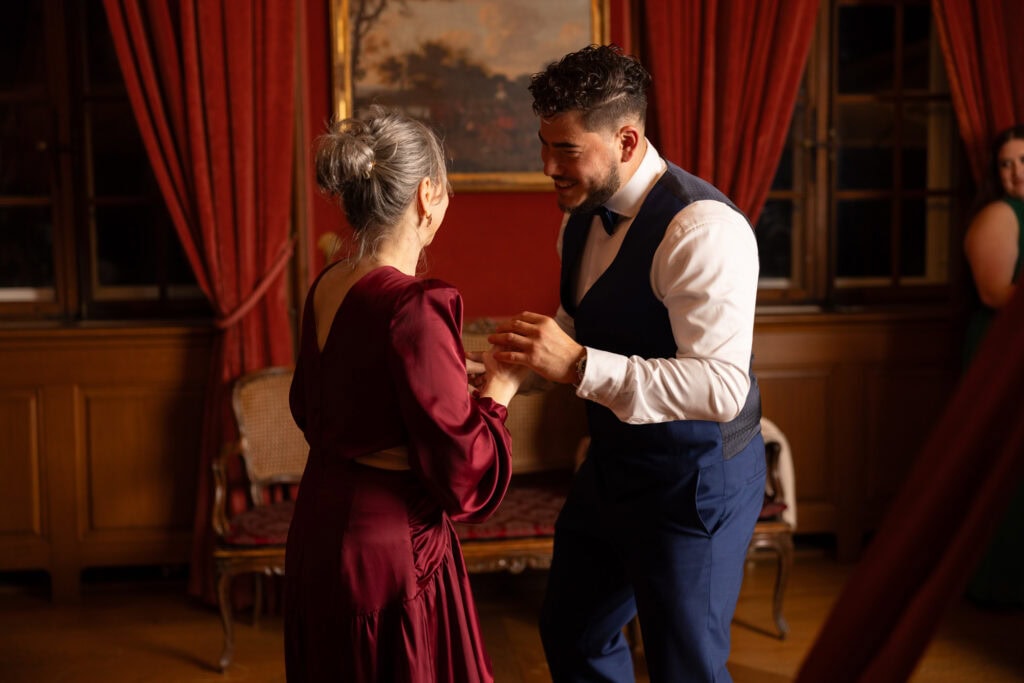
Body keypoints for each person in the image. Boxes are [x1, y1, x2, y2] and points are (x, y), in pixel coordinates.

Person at [489, 45, 765, 682]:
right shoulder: (581, 216)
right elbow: (583, 319)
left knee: (683, 668)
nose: (547, 166)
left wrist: (580, 365)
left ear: (627, 138)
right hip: (613, 464)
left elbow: (722, 386)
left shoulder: (702, 230)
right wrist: (521, 361)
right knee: (572, 631)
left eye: (565, 148)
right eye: (544, 144)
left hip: (695, 480)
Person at [284, 106, 529, 682]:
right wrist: (498, 393)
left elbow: (323, 402)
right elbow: (464, 474)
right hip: (386, 552)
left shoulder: (329, 283)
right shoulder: (415, 305)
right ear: (426, 194)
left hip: (318, 530)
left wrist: (440, 379)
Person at [962, 123, 1024, 609]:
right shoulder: (1001, 215)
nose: (1016, 173)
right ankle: (998, 585)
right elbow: (996, 293)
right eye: (1006, 164)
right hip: (1003, 353)